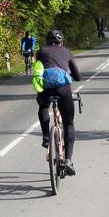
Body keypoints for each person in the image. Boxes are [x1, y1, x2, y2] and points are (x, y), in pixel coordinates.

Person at [32, 29, 83, 175]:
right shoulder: (66, 51)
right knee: (68, 123)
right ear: (62, 41)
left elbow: (39, 70)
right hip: (63, 89)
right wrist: (71, 75)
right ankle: (68, 160)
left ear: (47, 41)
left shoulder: (41, 52)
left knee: (43, 106)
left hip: (46, 88)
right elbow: (78, 76)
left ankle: (46, 137)